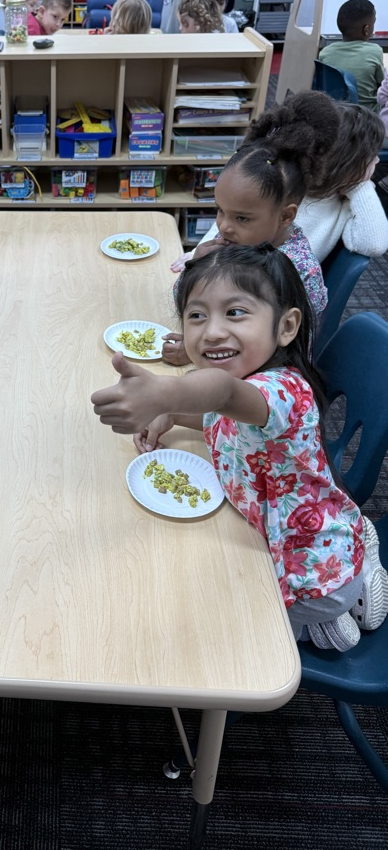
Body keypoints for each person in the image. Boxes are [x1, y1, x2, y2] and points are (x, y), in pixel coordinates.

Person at [92, 243, 388, 651]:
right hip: (285, 526)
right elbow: (220, 412)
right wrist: (175, 415)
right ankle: (351, 545)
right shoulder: (243, 384)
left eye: (235, 312)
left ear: (286, 327)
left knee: (219, 629)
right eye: (197, 315)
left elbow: (224, 394)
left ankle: (328, 614)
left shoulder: (281, 389)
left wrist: (168, 394)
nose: (211, 331)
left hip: (314, 576)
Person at [164, 90, 336, 365]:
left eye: (242, 218)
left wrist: (196, 351)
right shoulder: (246, 244)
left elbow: (283, 353)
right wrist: (195, 266)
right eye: (220, 211)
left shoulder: (293, 270)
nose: (224, 227)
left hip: (270, 384)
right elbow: (189, 305)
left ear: (286, 216)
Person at [296, 102, 388, 260]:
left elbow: (374, 244)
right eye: (372, 156)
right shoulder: (290, 186)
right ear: (349, 162)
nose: (378, 160)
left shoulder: (345, 200)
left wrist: (359, 186)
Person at [318, 0, 384, 112]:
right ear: (366, 30)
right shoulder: (375, 51)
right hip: (369, 119)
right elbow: (382, 86)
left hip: (337, 115)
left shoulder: (325, 53)